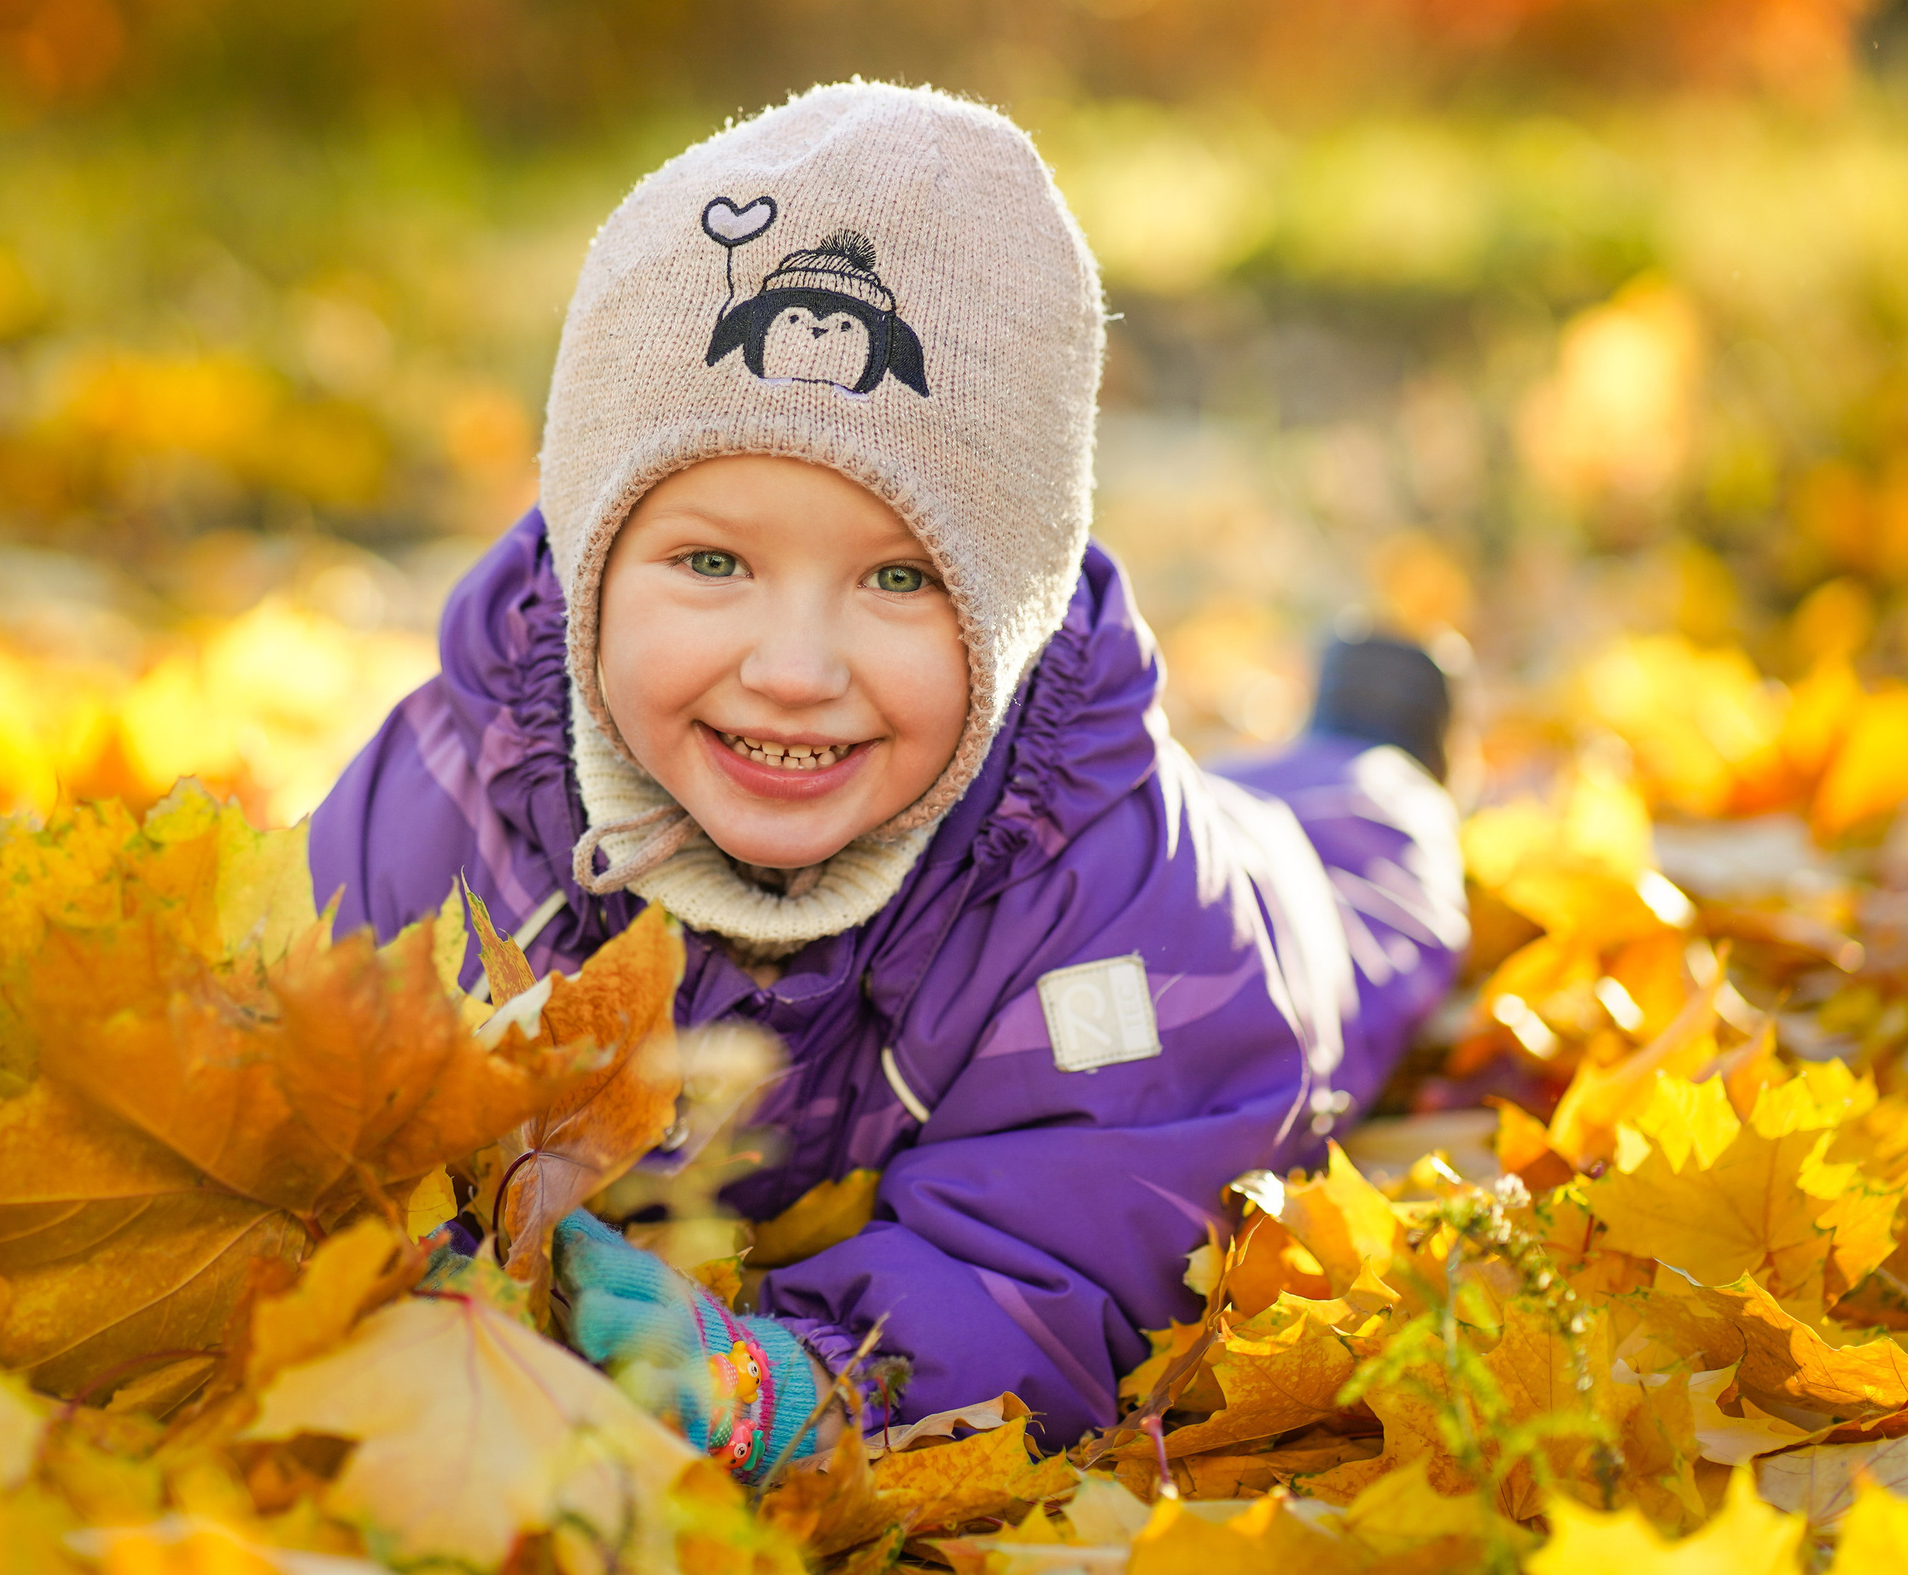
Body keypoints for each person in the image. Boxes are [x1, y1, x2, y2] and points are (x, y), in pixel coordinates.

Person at [308, 82, 1467, 1482]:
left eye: (902, 579)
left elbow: (1076, 1248)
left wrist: (810, 1380)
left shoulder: (1116, 889)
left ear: (1015, 608)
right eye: (713, 564)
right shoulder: (460, 782)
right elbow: (294, 1065)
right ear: (585, 557)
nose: (793, 669)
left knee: (1364, 866)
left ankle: (1378, 740)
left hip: (1267, 925)